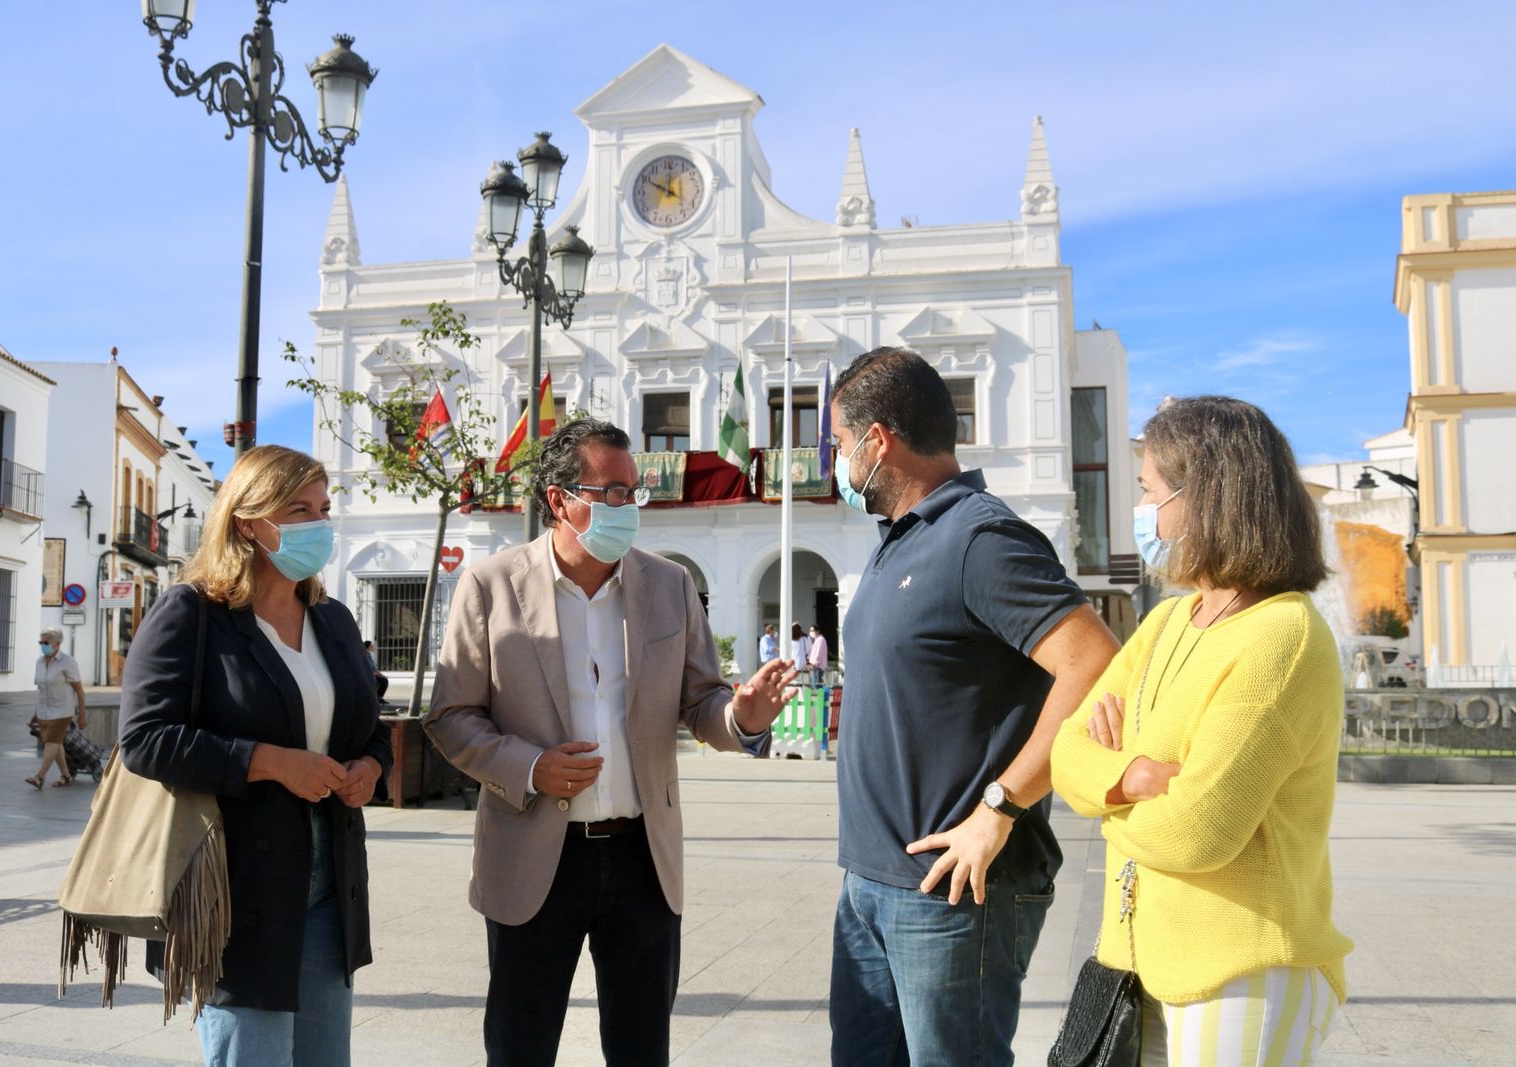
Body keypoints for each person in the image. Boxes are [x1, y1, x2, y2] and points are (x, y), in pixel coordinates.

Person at [425, 417, 798, 1067]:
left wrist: (743, 716)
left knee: (641, 1049)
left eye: (634, 492)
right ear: (559, 501)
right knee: (519, 1047)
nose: (629, 508)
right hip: (534, 855)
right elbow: (452, 715)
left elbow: (701, 701)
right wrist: (531, 766)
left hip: (642, 861)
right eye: (612, 493)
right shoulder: (490, 585)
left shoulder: (670, 584)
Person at [826, 347, 1120, 1066]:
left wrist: (999, 806)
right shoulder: (898, 538)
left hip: (954, 900)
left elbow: (1097, 663)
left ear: (877, 441)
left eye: (837, 443)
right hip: (871, 885)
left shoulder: (979, 537)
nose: (835, 462)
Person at [1050, 396, 1353, 1065]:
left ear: (1208, 497)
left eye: (1151, 490)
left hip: (1243, 971)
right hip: (1143, 963)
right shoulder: (1166, 623)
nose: (1145, 510)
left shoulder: (1283, 637)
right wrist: (1128, 776)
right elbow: (1068, 748)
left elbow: (1201, 829)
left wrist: (1103, 800)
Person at [119, 445, 392, 1067]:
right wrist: (268, 761)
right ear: (247, 520)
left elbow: (369, 729)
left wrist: (370, 769)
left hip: (330, 882)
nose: (318, 524)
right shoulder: (192, 612)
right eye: (298, 509)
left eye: (323, 509)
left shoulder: (334, 621)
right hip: (236, 885)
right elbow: (143, 738)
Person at [26, 628, 85, 789]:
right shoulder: (39, 662)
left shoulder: (67, 662)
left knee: (51, 743)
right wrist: (36, 712)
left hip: (62, 710)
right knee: (56, 744)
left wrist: (82, 715)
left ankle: (40, 777)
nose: (43, 645)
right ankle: (66, 775)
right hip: (45, 711)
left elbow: (79, 689)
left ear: (57, 644)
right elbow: (41, 690)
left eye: (46, 642)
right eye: (41, 642)